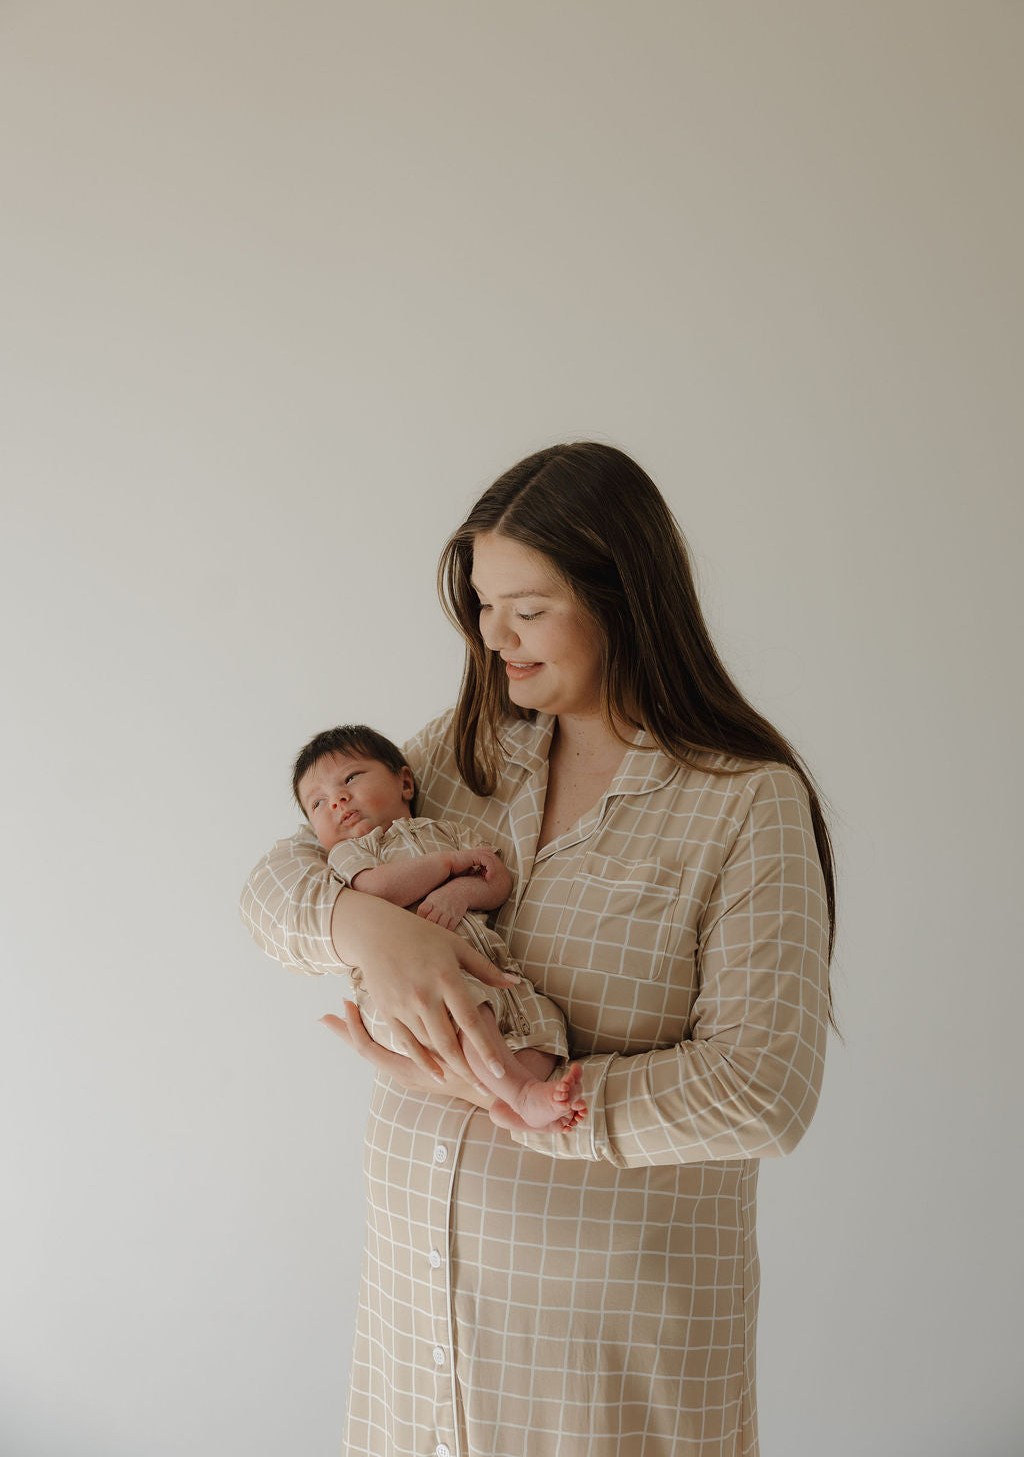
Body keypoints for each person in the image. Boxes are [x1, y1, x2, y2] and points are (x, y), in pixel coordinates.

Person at [240, 441, 835, 1457]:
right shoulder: (469, 747)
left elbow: (762, 1090)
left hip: (602, 1368)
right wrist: (370, 931)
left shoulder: (743, 802)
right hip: (416, 1342)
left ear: (624, 597)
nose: (493, 638)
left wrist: (513, 1096)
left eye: (528, 608)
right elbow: (275, 887)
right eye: (481, 605)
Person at [292, 722, 586, 1132]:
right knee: (465, 1008)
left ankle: (511, 1100)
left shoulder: (444, 831)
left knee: (543, 1021)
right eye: (318, 803)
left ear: (405, 783)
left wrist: (460, 894)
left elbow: (496, 878)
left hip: (484, 970)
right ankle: (520, 1095)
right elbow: (379, 890)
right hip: (408, 993)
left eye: (350, 778)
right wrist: (447, 865)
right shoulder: (349, 855)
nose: (338, 799)